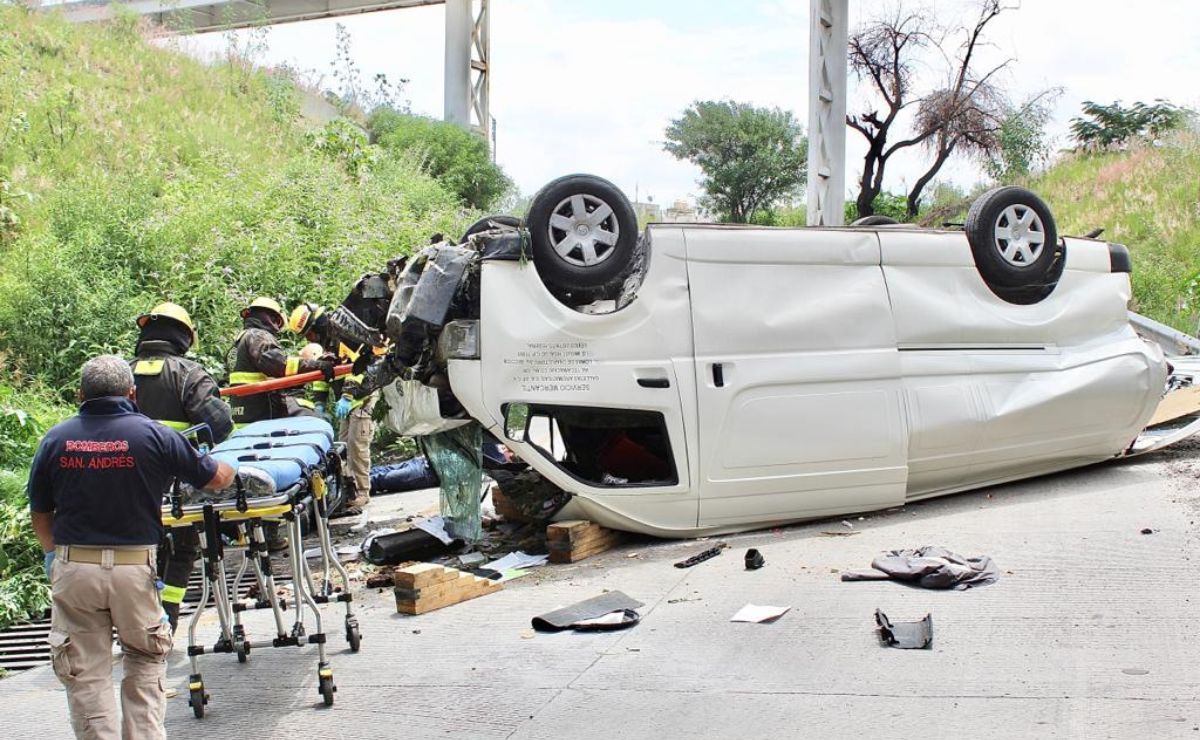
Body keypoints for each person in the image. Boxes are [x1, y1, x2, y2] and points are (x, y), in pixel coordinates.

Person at [28, 355, 235, 740]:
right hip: (133, 570)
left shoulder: (55, 439)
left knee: (85, 673)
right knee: (144, 657)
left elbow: (40, 511)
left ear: (79, 394)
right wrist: (232, 465)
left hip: (75, 570)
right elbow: (216, 478)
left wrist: (53, 555)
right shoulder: (153, 434)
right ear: (132, 393)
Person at [130, 301, 234, 632]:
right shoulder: (189, 374)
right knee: (182, 549)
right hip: (178, 483)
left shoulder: (120, 372)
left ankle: (134, 624)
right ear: (184, 336)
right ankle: (167, 619)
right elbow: (218, 425)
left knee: (135, 553)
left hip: (126, 481)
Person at [288, 302, 378, 515]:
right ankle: (350, 492)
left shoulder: (343, 335)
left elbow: (359, 366)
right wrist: (319, 401)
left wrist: (347, 395)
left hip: (362, 397)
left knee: (358, 446)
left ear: (317, 325)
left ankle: (363, 492)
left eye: (309, 334)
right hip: (347, 402)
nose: (310, 339)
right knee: (344, 448)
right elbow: (325, 376)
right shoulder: (327, 343)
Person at [225, 297, 335, 425]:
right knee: (317, 420)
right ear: (270, 318)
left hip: (242, 417)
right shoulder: (258, 336)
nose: (277, 329)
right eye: (277, 322)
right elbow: (281, 365)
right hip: (263, 413)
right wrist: (318, 365)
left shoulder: (237, 344)